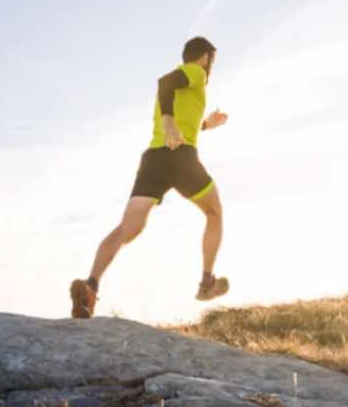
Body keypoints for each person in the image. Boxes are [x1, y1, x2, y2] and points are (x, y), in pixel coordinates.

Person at [70, 36, 230, 318]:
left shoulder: (186, 90)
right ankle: (207, 282)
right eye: (211, 61)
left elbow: (182, 120)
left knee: (127, 229)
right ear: (205, 57)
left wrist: (206, 125)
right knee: (214, 212)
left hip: (154, 159)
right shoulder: (195, 72)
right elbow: (165, 82)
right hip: (181, 157)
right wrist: (169, 121)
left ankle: (91, 285)